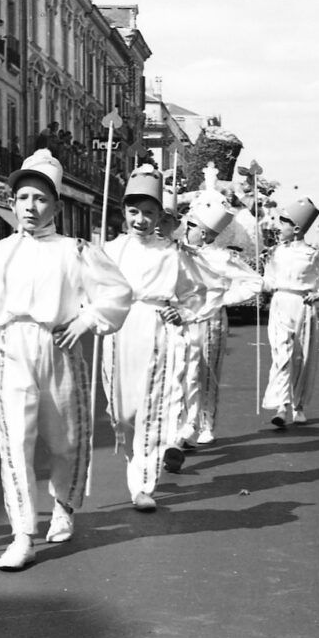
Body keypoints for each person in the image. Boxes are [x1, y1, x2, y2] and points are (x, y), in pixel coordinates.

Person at [0, 150, 131, 571]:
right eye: (22, 198)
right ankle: (22, 533)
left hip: (57, 346)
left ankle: (64, 505)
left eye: (40, 199)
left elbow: (117, 293)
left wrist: (88, 319)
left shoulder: (75, 250)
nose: (30, 208)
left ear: (56, 205)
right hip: (10, 348)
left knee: (67, 439)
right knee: (14, 441)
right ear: (12, 202)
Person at [101, 165, 217, 511]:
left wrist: (182, 312)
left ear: (159, 216)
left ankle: (142, 484)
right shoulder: (109, 250)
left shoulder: (172, 253)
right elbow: (88, 287)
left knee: (152, 407)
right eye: (134, 212)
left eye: (149, 213)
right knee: (123, 411)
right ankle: (135, 460)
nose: (140, 219)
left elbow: (201, 290)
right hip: (119, 330)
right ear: (124, 212)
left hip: (156, 329)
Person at [178, 170, 263, 447]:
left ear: (203, 232)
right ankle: (184, 422)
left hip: (212, 321)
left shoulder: (222, 257)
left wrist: (224, 299)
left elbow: (254, 282)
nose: (184, 229)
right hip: (183, 319)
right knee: (183, 372)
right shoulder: (179, 252)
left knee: (207, 373)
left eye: (189, 225)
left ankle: (207, 423)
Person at [261, 197, 319, 427]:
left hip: (302, 306)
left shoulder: (312, 254)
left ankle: (299, 405)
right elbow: (268, 280)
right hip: (279, 304)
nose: (279, 228)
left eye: (283, 223)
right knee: (281, 354)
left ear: (296, 228)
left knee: (302, 356)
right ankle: (281, 406)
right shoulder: (274, 253)